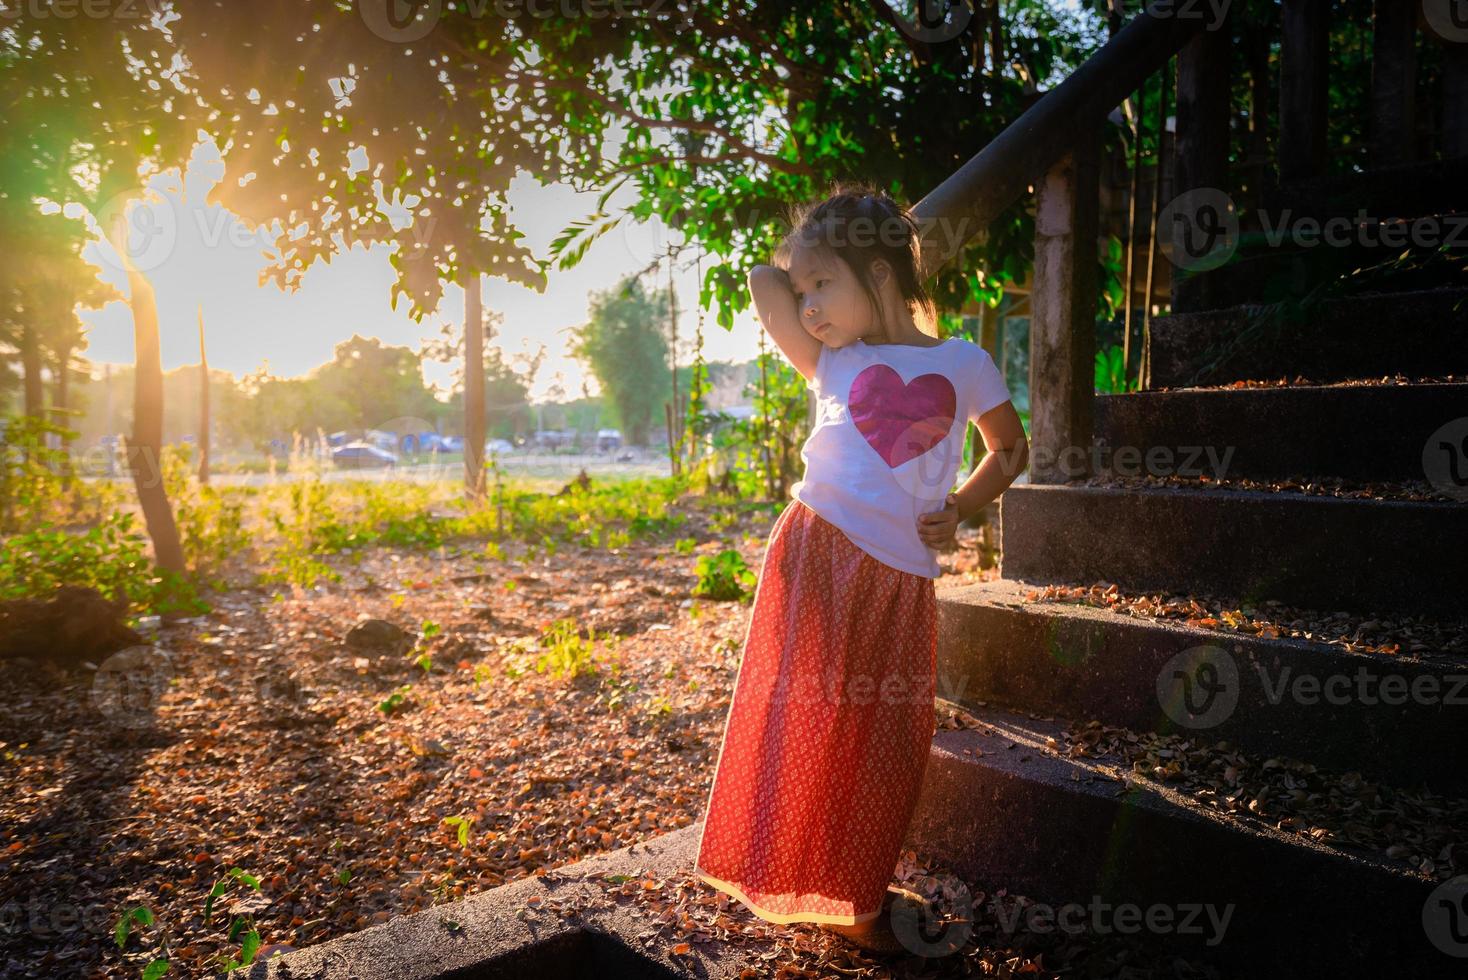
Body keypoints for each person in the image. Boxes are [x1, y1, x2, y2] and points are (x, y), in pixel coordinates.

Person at [692, 183, 1030, 955]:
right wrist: (817, 250)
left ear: (879, 273)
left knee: (885, 739)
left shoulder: (965, 362)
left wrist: (965, 505)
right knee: (801, 720)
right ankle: (799, 880)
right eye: (805, 289)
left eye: (823, 285)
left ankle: (853, 892)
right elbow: (761, 284)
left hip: (901, 575)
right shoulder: (832, 358)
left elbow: (1008, 448)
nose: (806, 306)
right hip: (816, 554)